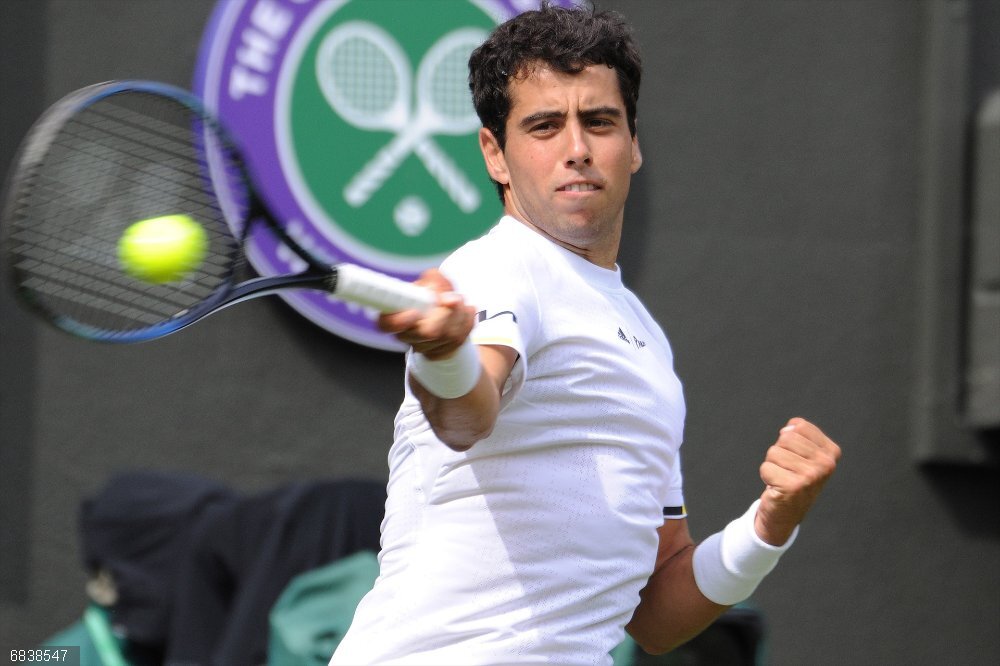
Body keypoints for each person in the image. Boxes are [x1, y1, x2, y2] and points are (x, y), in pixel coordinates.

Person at [329, 3, 840, 664]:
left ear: (632, 144)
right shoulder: (500, 267)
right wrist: (445, 354)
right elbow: (465, 416)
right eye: (544, 126)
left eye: (599, 121)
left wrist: (771, 524)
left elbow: (656, 614)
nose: (576, 148)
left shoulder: (644, 340)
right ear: (496, 155)